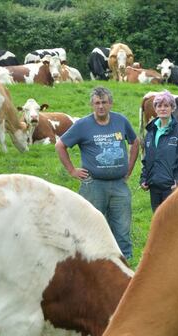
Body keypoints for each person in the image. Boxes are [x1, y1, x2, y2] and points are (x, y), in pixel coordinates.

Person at [55, 86, 140, 259]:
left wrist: (128, 169)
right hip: (93, 185)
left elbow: (135, 142)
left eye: (104, 102)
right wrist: (72, 170)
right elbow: (60, 145)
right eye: (97, 103)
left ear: (110, 104)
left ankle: (125, 266)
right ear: (92, 105)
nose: (101, 106)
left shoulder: (121, 121)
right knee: (89, 228)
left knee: (122, 230)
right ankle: (92, 264)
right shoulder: (82, 125)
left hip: (119, 186)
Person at [139, 90, 178, 211]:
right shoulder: (151, 131)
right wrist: (144, 178)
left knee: (174, 223)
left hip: (172, 188)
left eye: (166, 105)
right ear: (155, 109)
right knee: (157, 220)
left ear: (172, 108)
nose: (162, 109)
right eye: (159, 106)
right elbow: (147, 159)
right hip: (154, 187)